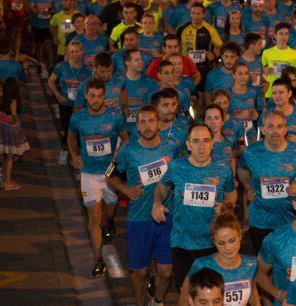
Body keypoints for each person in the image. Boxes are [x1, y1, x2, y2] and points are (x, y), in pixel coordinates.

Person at [151, 124, 237, 288]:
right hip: (182, 241)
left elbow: (231, 194)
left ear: (212, 144)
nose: (201, 146)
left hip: (213, 241)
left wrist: (227, 206)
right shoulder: (177, 166)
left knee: (211, 291)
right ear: (188, 145)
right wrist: (157, 203)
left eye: (206, 141)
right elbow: (162, 187)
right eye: (196, 141)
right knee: (186, 291)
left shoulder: (223, 168)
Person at [110, 106, 178, 306]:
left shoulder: (171, 146)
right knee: (140, 272)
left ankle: (157, 301)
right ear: (137, 126)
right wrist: (126, 190)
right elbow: (109, 174)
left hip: (166, 216)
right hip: (139, 219)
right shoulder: (127, 150)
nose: (147, 126)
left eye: (151, 121)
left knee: (166, 272)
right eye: (142, 122)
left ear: (158, 124)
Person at [68, 78, 127, 276]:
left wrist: (118, 161)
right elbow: (71, 136)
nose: (95, 100)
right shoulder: (78, 118)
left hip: (110, 172)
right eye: (92, 96)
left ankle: (108, 222)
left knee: (109, 209)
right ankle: (99, 260)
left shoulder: (115, 116)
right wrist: (74, 155)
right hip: (89, 173)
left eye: (99, 96)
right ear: (86, 96)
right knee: (94, 218)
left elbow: (125, 138)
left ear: (104, 96)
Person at [238, 110, 296, 252]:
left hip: (290, 220)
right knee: (263, 260)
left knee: (287, 259)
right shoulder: (250, 152)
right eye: (271, 126)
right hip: (260, 220)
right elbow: (242, 170)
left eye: (279, 126)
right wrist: (248, 187)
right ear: (263, 129)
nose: (275, 131)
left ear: (285, 129)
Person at [180, 214, 260, 306]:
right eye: (221, 243)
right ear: (213, 241)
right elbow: (184, 299)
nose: (228, 247)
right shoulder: (201, 265)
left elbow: (253, 292)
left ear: (240, 235)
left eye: (232, 240)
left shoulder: (251, 264)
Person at [48, 40, 93, 164]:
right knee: (67, 129)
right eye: (72, 52)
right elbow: (51, 81)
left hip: (82, 107)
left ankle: (78, 156)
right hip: (66, 105)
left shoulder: (88, 70)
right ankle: (65, 150)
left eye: (77, 51)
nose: (75, 54)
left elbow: (92, 87)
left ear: (81, 52)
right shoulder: (61, 67)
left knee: (80, 130)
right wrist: (57, 95)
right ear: (68, 52)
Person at [0, 78, 30, 191]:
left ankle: (4, 180)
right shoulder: (13, 101)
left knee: (5, 156)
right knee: (9, 158)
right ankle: (7, 183)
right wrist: (15, 119)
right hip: (11, 130)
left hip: (2, 128)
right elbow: (13, 117)